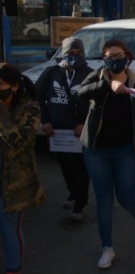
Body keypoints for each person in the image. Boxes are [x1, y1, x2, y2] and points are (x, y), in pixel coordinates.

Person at [78, 40, 135, 269]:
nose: (115, 59)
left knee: (126, 196)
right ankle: (107, 248)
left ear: (127, 57)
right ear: (104, 59)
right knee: (103, 200)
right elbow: (81, 93)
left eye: (119, 54)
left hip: (125, 151)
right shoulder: (97, 77)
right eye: (110, 55)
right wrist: (107, 85)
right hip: (96, 151)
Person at [36, 37, 92, 220]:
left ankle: (80, 204)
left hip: (79, 132)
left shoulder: (90, 74)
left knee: (80, 168)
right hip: (57, 133)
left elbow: (98, 104)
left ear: (83, 54)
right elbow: (38, 97)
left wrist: (85, 123)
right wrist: (45, 121)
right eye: (70, 53)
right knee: (65, 166)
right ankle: (73, 192)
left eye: (78, 53)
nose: (74, 57)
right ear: (63, 54)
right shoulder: (51, 73)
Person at [0, 64, 45, 274]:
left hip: (15, 180)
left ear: (14, 87)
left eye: (0, 86)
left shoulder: (30, 108)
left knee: (9, 227)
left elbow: (17, 141)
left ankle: (13, 272)